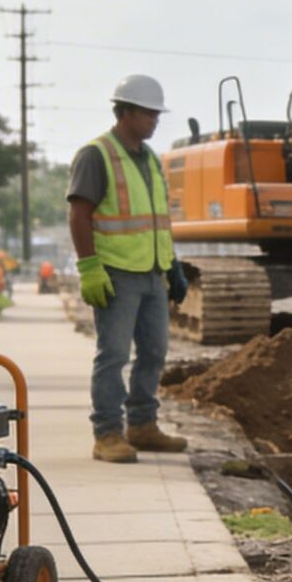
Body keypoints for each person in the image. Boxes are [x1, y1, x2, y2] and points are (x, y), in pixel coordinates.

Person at [67, 73, 190, 463]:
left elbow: (158, 220)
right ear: (126, 112)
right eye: (149, 114)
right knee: (114, 355)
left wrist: (173, 268)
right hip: (116, 273)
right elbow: (79, 213)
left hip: (152, 273)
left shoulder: (151, 159)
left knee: (154, 351)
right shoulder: (96, 154)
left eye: (157, 114)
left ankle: (142, 425)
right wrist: (90, 267)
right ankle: (107, 433)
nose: (155, 121)